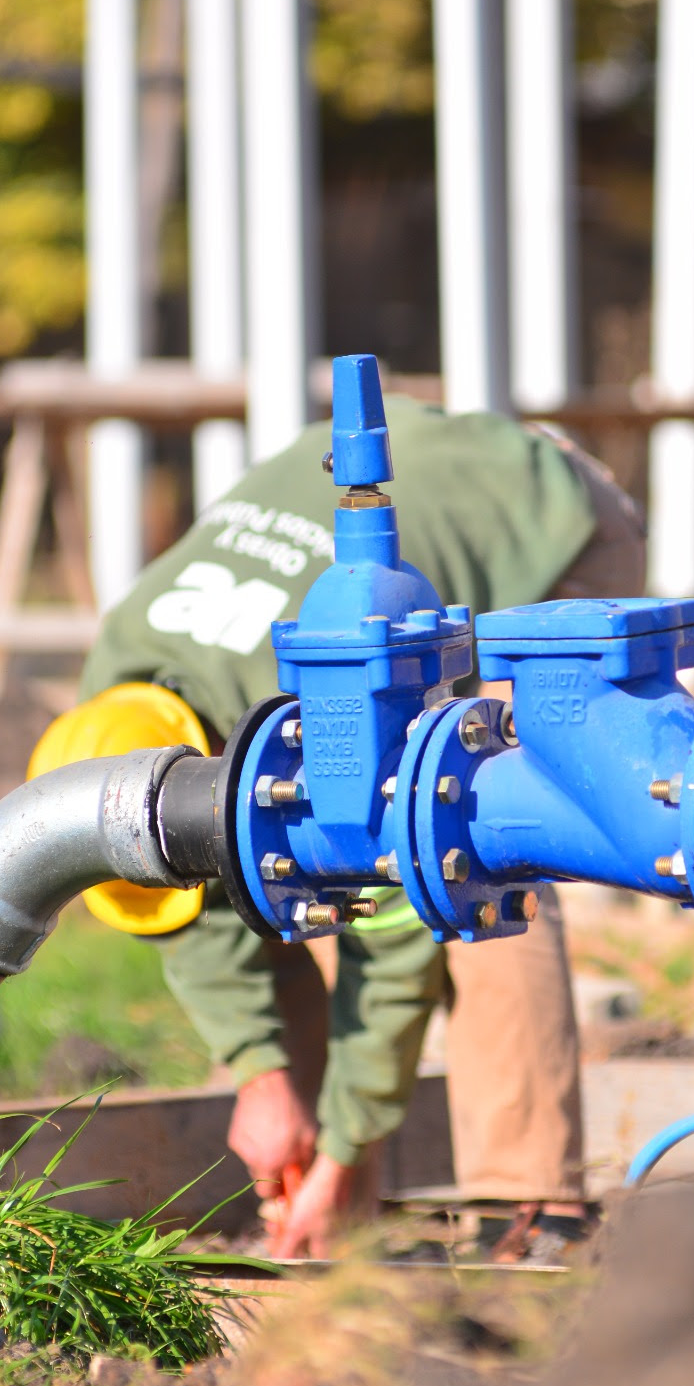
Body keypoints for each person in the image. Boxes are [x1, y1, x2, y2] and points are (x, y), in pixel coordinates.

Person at [77, 395, 645, 1257]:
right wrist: (260, 1073)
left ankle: (529, 1206)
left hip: (545, 517)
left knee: (471, 838)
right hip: (402, 509)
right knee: (265, 855)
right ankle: (328, 1194)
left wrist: (349, 1140)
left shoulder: (304, 691)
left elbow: (400, 920)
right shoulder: (116, 697)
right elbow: (186, 894)